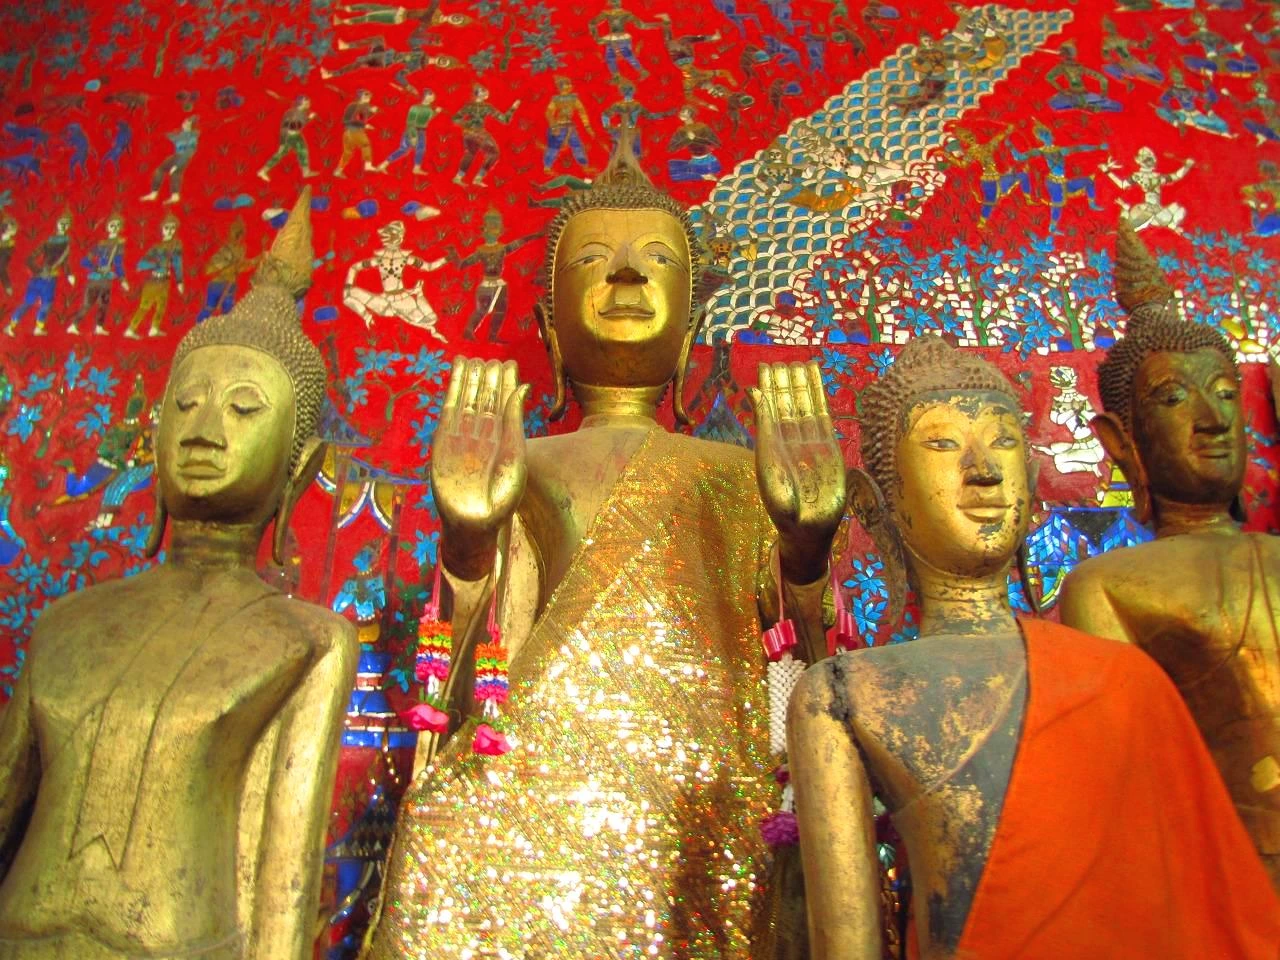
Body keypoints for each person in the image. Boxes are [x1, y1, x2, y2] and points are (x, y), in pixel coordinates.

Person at [365, 131, 845, 960]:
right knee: (442, 832)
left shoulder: (741, 474)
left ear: (690, 334)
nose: (625, 275)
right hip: (535, 794)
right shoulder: (522, 465)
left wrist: (805, 550)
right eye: (593, 261)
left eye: (655, 260)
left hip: (707, 794)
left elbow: (796, 674)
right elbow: (473, 688)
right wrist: (471, 542)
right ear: (550, 331)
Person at [788, 335, 1280, 958]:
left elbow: (1191, 907)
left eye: (1003, 441)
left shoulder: (1125, 678)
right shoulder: (842, 691)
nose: (984, 470)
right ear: (873, 499)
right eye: (942, 444)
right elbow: (846, 942)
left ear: (1033, 479)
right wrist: (804, 567)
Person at [0, 190, 359, 960]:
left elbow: (281, 882)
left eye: (243, 409)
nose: (203, 430)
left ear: (299, 466)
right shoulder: (67, 622)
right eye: (186, 405)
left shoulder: (308, 641)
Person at [1059, 221, 1280, 888]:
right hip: (1218, 878)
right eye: (1175, 398)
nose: (1214, 419)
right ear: (1121, 442)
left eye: (1225, 393)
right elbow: (1125, 783)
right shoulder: (1108, 585)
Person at [5, 211, 74, 338]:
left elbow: (65, 261)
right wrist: (39, 271)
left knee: (40, 304)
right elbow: (29, 259)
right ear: (57, 224)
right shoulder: (50, 242)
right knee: (39, 303)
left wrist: (69, 274)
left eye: (67, 223)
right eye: (62, 223)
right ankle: (13, 326)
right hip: (45, 278)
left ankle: (33, 328)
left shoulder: (65, 242)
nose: (64, 225)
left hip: (45, 277)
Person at [69, 212, 129, 335]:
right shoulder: (101, 244)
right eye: (112, 225)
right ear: (107, 227)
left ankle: (99, 327)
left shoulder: (119, 245)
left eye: (118, 225)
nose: (115, 228)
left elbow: (118, 264)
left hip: (107, 279)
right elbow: (84, 261)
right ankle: (74, 325)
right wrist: (96, 268)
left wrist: (123, 279)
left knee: (104, 305)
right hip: (95, 278)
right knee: (88, 304)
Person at [141, 116, 198, 205]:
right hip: (178, 156)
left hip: (181, 157)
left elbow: (188, 152)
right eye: (185, 122)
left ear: (191, 126)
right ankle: (169, 195)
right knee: (171, 172)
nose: (184, 124)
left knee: (168, 171)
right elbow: (173, 137)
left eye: (187, 124)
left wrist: (177, 165)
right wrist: (164, 134)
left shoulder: (192, 137)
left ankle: (157, 194)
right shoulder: (182, 134)